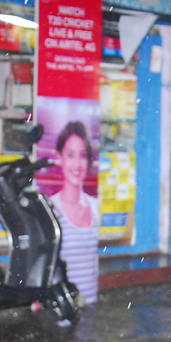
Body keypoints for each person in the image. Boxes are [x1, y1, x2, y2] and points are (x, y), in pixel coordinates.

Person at [52, 121, 99, 303]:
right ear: (59, 158)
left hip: (92, 306)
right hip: (64, 308)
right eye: (70, 155)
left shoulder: (95, 206)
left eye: (83, 156)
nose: (77, 164)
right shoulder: (52, 209)